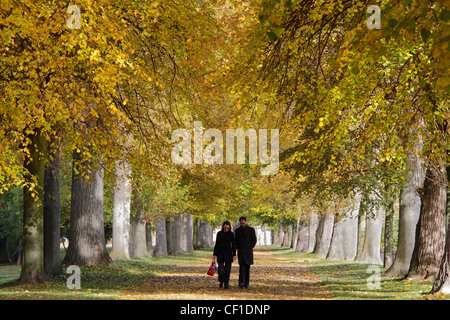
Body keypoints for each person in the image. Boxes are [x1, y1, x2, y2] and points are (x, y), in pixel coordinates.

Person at [212, 221, 236, 289]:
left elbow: (233, 245)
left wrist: (234, 254)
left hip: (228, 254)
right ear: (223, 227)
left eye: (227, 228)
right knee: (221, 269)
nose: (226, 229)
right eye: (225, 228)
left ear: (229, 228)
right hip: (220, 254)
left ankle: (226, 284)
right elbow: (217, 244)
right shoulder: (219, 234)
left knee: (228, 270)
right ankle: (221, 280)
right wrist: (214, 254)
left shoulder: (231, 234)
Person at [234, 216, 257, 289]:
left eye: (243, 223)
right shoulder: (237, 231)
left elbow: (254, 240)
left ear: (246, 222)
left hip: (248, 252)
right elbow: (235, 241)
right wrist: (238, 248)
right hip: (241, 252)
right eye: (241, 223)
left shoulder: (251, 230)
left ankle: (246, 283)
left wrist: (250, 246)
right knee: (242, 268)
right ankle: (241, 282)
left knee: (247, 268)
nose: (243, 224)